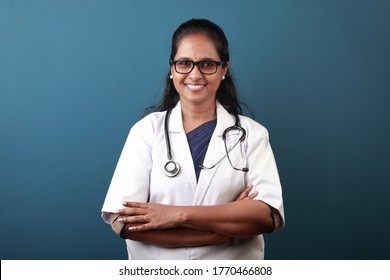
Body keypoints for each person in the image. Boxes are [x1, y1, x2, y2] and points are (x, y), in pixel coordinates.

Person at [101, 18, 284, 260]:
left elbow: (266, 215)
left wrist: (178, 214)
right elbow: (123, 222)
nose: (195, 74)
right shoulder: (146, 131)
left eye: (207, 64)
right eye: (185, 63)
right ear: (172, 69)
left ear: (224, 70)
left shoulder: (252, 135)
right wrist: (216, 233)